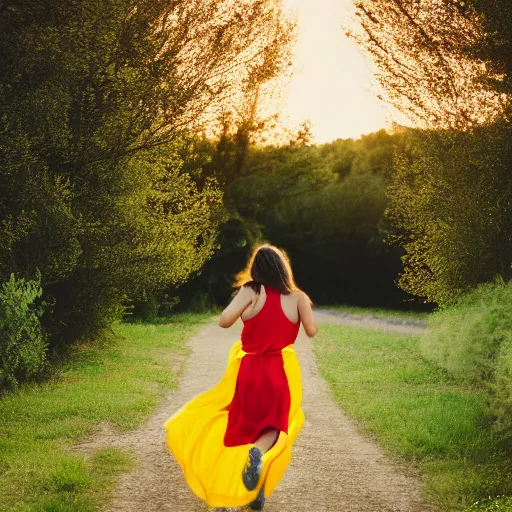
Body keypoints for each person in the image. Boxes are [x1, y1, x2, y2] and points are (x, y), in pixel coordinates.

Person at [164, 244, 317, 510]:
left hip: (248, 370)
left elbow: (224, 321)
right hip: (278, 371)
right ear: (283, 268)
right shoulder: (298, 297)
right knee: (273, 429)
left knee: (246, 427)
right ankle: (256, 482)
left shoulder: (251, 291)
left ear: (256, 269)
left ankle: (248, 491)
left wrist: (246, 308)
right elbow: (312, 331)